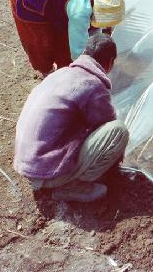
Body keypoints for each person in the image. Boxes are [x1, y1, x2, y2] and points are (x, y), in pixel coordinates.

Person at [14, 32, 128, 203]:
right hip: (45, 172)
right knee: (118, 131)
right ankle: (71, 185)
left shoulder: (60, 74)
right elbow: (107, 123)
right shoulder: (93, 84)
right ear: (110, 62)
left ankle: (58, 179)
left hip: (27, 164)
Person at [7, 0, 94, 74]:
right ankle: (47, 71)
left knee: (63, 39)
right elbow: (78, 53)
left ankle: (62, 69)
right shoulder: (80, 11)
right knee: (41, 41)